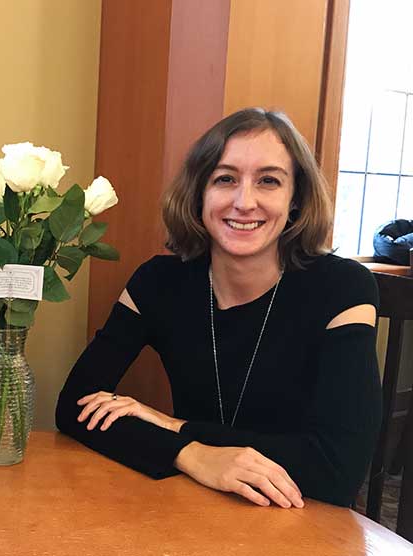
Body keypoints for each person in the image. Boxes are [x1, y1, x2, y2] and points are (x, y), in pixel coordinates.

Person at [56, 108, 381, 508]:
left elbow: (337, 469)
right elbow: (74, 406)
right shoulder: (158, 281)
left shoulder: (343, 288)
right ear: (199, 193)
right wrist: (192, 454)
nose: (245, 201)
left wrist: (175, 427)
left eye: (269, 181)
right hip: (192, 504)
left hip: (301, 516)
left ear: (295, 199)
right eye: (225, 179)